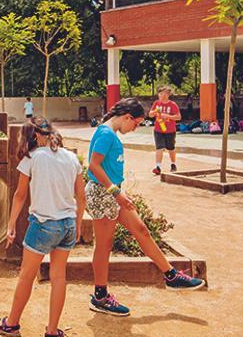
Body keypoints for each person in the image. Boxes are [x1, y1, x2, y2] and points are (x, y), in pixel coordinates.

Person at [87, 99, 204, 318]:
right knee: (104, 246)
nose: (135, 128)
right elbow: (93, 165)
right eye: (137, 123)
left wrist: (118, 191)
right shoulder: (106, 134)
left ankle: (170, 275)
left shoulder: (109, 133)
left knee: (141, 229)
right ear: (127, 117)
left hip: (112, 192)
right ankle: (100, 296)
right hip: (104, 194)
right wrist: (116, 192)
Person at [0, 119, 84, 337]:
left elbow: (20, 195)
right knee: (59, 276)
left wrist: (10, 226)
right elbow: (80, 196)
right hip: (68, 223)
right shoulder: (71, 157)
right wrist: (78, 225)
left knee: (27, 275)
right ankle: (52, 334)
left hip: (43, 224)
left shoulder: (32, 158)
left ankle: (11, 324)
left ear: (35, 136)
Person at [150, 85, 181, 176]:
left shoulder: (172, 105)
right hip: (158, 129)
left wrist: (168, 116)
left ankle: (173, 164)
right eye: (160, 93)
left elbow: (178, 117)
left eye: (164, 93)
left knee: (170, 148)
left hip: (170, 130)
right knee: (159, 147)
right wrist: (155, 112)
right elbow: (150, 114)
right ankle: (158, 167)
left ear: (168, 94)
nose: (162, 95)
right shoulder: (156, 103)